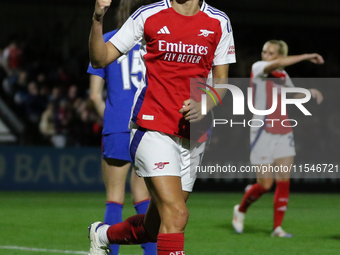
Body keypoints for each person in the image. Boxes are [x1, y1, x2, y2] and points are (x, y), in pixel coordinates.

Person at [88, 0, 236, 254]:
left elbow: (221, 81)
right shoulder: (148, 15)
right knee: (177, 215)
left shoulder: (219, 21)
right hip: (152, 127)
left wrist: (207, 101)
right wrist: (97, 19)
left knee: (155, 226)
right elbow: (100, 59)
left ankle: (102, 235)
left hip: (194, 134)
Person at [232, 40, 324, 237]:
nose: (265, 55)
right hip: (262, 131)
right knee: (265, 184)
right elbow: (273, 65)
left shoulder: (283, 75)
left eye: (271, 53)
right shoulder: (259, 67)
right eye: (264, 51)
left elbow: (292, 94)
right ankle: (240, 210)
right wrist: (307, 56)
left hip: (283, 130)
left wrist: (309, 93)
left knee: (283, 179)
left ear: (280, 55)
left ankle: (277, 228)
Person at [87, 0, 157, 254]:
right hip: (147, 124)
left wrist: (108, 119)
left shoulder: (107, 40)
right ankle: (152, 252)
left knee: (114, 197)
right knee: (144, 198)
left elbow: (95, 96)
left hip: (117, 125)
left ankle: (107, 248)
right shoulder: (155, 41)